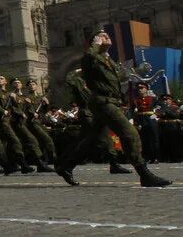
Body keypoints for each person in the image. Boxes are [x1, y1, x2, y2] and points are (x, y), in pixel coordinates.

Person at [56, 30, 171, 187]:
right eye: (101, 36)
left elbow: (119, 76)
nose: (106, 36)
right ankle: (144, 174)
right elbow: (89, 58)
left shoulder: (107, 60)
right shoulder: (91, 57)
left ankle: (66, 165)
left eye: (107, 35)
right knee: (130, 134)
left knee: (92, 139)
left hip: (108, 102)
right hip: (103, 102)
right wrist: (95, 45)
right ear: (94, 42)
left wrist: (139, 71)